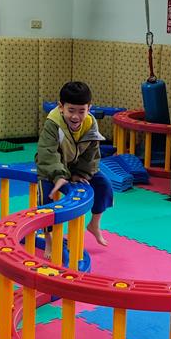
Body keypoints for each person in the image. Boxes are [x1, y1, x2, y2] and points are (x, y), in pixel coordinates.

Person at [36, 81, 113, 253]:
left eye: (81, 111)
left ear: (89, 108)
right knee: (45, 197)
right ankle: (48, 238)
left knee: (104, 185)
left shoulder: (90, 123)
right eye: (71, 110)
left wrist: (81, 173)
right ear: (61, 107)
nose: (76, 117)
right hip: (51, 166)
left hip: (77, 165)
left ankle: (94, 224)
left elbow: (92, 152)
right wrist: (58, 175)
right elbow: (47, 152)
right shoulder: (53, 123)